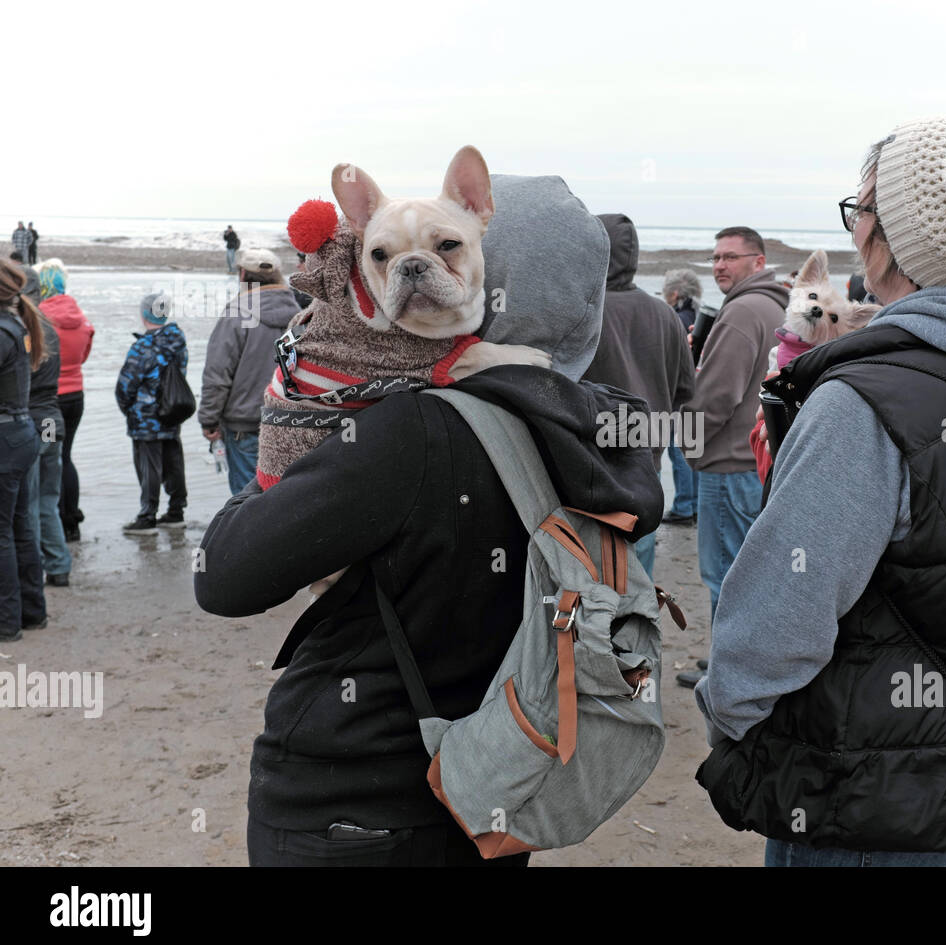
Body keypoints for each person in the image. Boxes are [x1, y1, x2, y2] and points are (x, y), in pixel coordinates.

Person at [194, 174, 660, 867]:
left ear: (486, 271)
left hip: (359, 794)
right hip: (500, 778)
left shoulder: (412, 429)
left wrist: (279, 441)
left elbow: (226, 576)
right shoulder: (603, 427)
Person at [695, 116, 946, 867]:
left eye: (864, 209)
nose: (855, 231)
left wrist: (731, 718)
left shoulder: (865, 403)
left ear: (904, 237)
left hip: (864, 792)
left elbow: (779, 616)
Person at [681, 227, 788, 627]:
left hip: (728, 466)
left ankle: (726, 673)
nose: (720, 265)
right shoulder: (776, 306)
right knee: (752, 575)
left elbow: (715, 397)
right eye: (715, 258)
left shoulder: (742, 311)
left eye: (730, 257)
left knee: (724, 576)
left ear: (758, 262)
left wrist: (688, 446)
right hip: (758, 461)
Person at [582, 215, 694, 577]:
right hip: (648, 459)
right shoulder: (665, 314)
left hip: (593, 466)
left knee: (592, 579)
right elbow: (685, 391)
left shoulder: (583, 313)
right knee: (639, 575)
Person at [199, 249, 300, 494]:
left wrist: (208, 419)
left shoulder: (236, 313)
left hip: (245, 426)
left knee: (247, 503)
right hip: (293, 422)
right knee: (287, 498)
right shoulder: (301, 314)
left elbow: (217, 374)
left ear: (242, 274)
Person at [0, 258, 47, 641]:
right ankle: (31, 612)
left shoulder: (4, 329)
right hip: (20, 433)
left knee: (5, 532)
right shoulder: (16, 323)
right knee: (19, 526)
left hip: (7, 438)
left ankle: (7, 621)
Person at [115, 293, 189, 534]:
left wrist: (129, 409)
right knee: (174, 463)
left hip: (145, 419)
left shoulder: (142, 347)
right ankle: (176, 512)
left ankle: (147, 517)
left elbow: (125, 387)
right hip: (172, 411)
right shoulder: (178, 340)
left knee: (149, 469)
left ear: (144, 314)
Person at [37, 260, 93, 542]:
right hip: (76, 399)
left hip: (49, 403)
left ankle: (54, 523)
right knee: (65, 456)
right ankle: (71, 520)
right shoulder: (81, 318)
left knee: (49, 459)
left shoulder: (39, 316)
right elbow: (83, 355)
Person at [20, 267, 70, 586]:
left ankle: (36, 569)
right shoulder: (47, 325)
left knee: (30, 501)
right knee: (47, 500)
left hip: (35, 420)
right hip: (52, 419)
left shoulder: (24, 328)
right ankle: (59, 565)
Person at [661, 269, 702, 523]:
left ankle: (684, 507)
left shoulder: (675, 319)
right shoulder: (698, 315)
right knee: (691, 451)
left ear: (674, 293)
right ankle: (694, 505)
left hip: (680, 394)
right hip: (696, 390)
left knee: (679, 453)